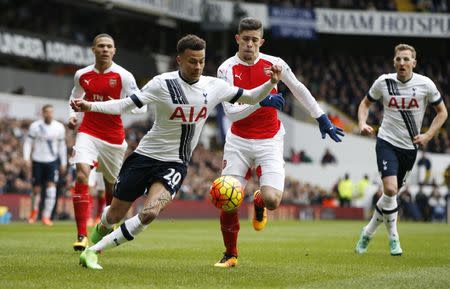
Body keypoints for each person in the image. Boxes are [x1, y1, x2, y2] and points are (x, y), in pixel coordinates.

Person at [71, 34, 285, 270]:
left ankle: (93, 252)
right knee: (114, 215)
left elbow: (251, 96)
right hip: (144, 157)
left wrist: (271, 83)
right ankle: (102, 228)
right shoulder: (161, 83)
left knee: (150, 212)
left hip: (175, 164)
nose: (198, 66)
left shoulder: (214, 86)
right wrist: (90, 106)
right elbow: (125, 104)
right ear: (179, 60)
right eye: (192, 61)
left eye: (201, 61)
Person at [213, 17, 344, 268]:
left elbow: (298, 88)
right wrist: (260, 102)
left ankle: (260, 200)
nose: (250, 44)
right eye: (245, 39)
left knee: (273, 200)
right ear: (237, 39)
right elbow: (230, 112)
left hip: (270, 140)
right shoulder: (226, 69)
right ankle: (230, 254)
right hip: (238, 141)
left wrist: (321, 117)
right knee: (228, 199)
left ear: (261, 41)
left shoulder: (275, 64)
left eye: (255, 40)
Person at [355, 44, 447, 256]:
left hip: (410, 147)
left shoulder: (425, 84)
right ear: (394, 61)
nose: (402, 63)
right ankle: (394, 238)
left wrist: (428, 135)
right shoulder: (384, 82)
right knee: (390, 189)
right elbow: (364, 104)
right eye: (399, 59)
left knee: (391, 195)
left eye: (406, 59)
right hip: (386, 141)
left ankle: (368, 232)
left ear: (414, 63)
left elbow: (442, 113)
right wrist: (362, 123)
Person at [68, 33, 146, 251]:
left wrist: (119, 104)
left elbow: (141, 105)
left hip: (113, 138)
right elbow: (74, 96)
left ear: (114, 51)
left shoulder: (124, 76)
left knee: (111, 187)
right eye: (101, 46)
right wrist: (71, 115)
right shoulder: (82, 74)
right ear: (93, 49)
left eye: (109, 46)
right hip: (88, 131)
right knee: (82, 173)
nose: (105, 49)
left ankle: (105, 224)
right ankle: (82, 235)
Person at [23, 104, 67, 226]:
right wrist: (26, 158)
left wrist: (63, 162)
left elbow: (62, 147)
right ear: (42, 113)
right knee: (36, 189)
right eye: (46, 112)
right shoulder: (35, 126)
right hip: (37, 160)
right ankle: (33, 213)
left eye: (51, 112)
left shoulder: (59, 127)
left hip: (52, 161)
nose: (49, 114)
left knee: (51, 187)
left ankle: (46, 216)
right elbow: (28, 143)